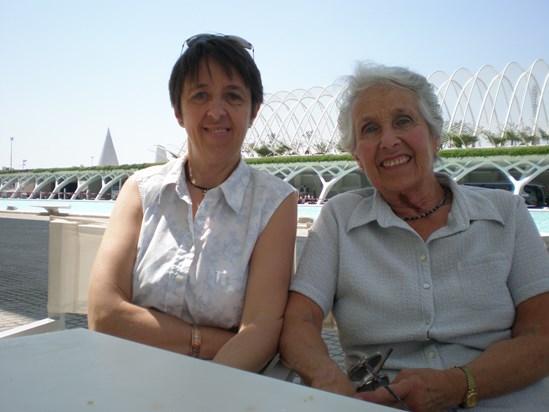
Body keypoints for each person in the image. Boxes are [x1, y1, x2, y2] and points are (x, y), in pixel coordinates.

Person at [280, 62, 549, 410]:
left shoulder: (506, 214)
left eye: (403, 121)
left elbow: (541, 336)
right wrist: (328, 378)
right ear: (357, 157)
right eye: (370, 129)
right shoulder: (338, 219)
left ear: (435, 137)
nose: (389, 140)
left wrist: (458, 384)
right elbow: (299, 320)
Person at [88, 33, 297, 373]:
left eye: (233, 96)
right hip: (128, 379)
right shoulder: (140, 190)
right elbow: (104, 314)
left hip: (225, 391)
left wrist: (196, 395)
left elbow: (261, 331)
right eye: (200, 95)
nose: (217, 111)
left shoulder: (274, 203)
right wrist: (204, 340)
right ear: (179, 112)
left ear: (253, 111)